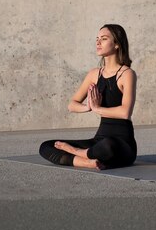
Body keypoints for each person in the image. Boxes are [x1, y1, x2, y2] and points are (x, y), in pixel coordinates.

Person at [39, 24, 137, 170]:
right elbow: (72, 105)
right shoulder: (94, 74)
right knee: (46, 146)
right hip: (98, 140)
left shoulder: (127, 74)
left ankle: (78, 153)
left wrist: (98, 108)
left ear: (116, 44)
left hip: (121, 143)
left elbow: (125, 112)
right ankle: (89, 162)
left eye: (104, 39)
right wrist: (88, 107)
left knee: (108, 146)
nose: (98, 42)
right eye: (97, 39)